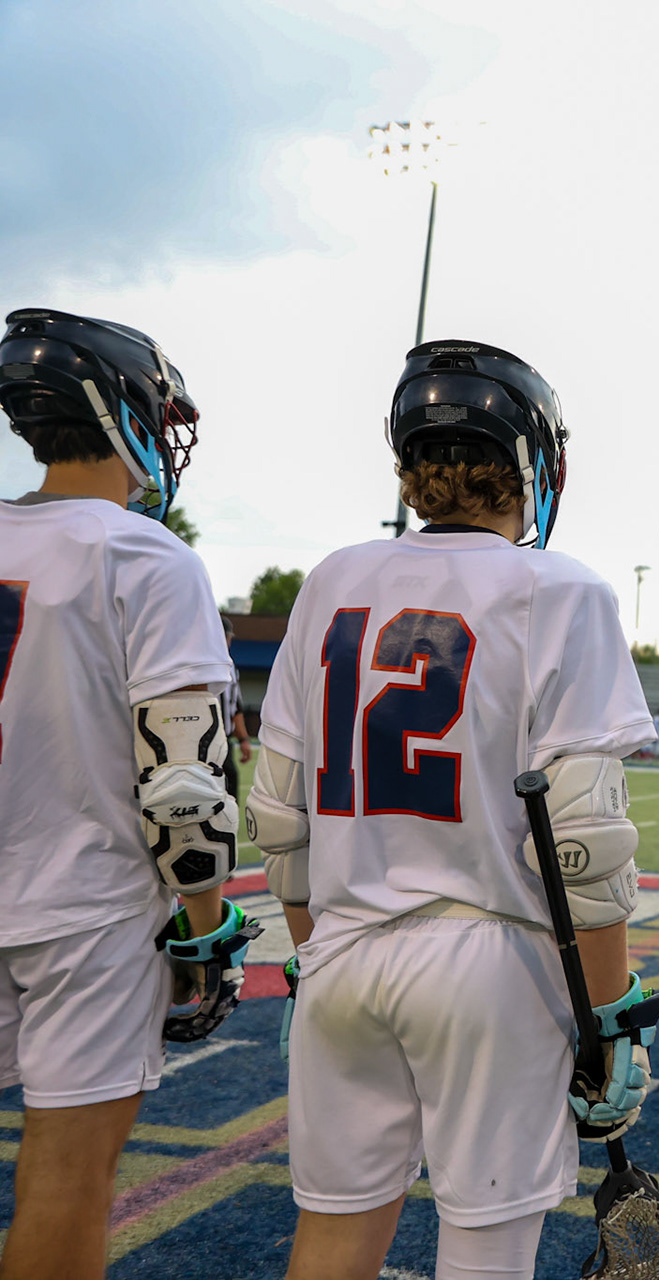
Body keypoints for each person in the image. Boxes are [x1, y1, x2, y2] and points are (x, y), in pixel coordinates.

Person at [247, 341, 659, 1280]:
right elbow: (586, 838)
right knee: (487, 1248)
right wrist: (608, 1016)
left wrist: (314, 951)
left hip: (343, 953)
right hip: (488, 963)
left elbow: (278, 815)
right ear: (530, 461)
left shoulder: (332, 579)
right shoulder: (560, 588)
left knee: (333, 1234)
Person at [0, 310, 256, 1280]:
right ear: (123, 412)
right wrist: (204, 922)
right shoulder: (143, 555)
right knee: (66, 1180)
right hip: (84, 910)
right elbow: (185, 784)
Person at [219, 616, 254, 797]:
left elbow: (236, 707)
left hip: (224, 741)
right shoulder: (203, 663)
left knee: (230, 783)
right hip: (204, 741)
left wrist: (243, 740)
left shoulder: (230, 665)